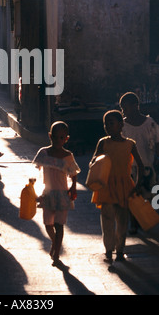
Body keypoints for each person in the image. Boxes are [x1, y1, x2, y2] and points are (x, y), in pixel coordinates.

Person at [90, 110, 144, 263]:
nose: (107, 126)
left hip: (124, 185)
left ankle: (120, 250)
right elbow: (93, 161)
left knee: (122, 220)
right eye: (105, 124)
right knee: (107, 218)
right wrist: (96, 164)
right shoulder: (103, 142)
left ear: (121, 125)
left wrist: (138, 184)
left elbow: (140, 165)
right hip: (106, 185)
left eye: (111, 123)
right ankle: (109, 249)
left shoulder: (130, 144)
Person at [33, 121, 80, 265]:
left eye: (62, 137)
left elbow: (73, 173)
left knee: (59, 225)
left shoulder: (68, 156)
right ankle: (55, 242)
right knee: (48, 224)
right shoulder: (43, 153)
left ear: (66, 139)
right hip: (47, 193)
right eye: (55, 137)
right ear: (50, 136)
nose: (58, 140)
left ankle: (56, 253)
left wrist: (73, 187)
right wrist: (32, 188)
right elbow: (36, 170)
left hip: (62, 195)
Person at [119, 91, 159, 233]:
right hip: (130, 168)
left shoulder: (150, 123)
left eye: (126, 107)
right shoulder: (122, 126)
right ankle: (134, 224)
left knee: (149, 195)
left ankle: (148, 220)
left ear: (136, 106)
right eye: (122, 108)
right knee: (132, 197)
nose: (124, 111)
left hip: (148, 166)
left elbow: (157, 142)